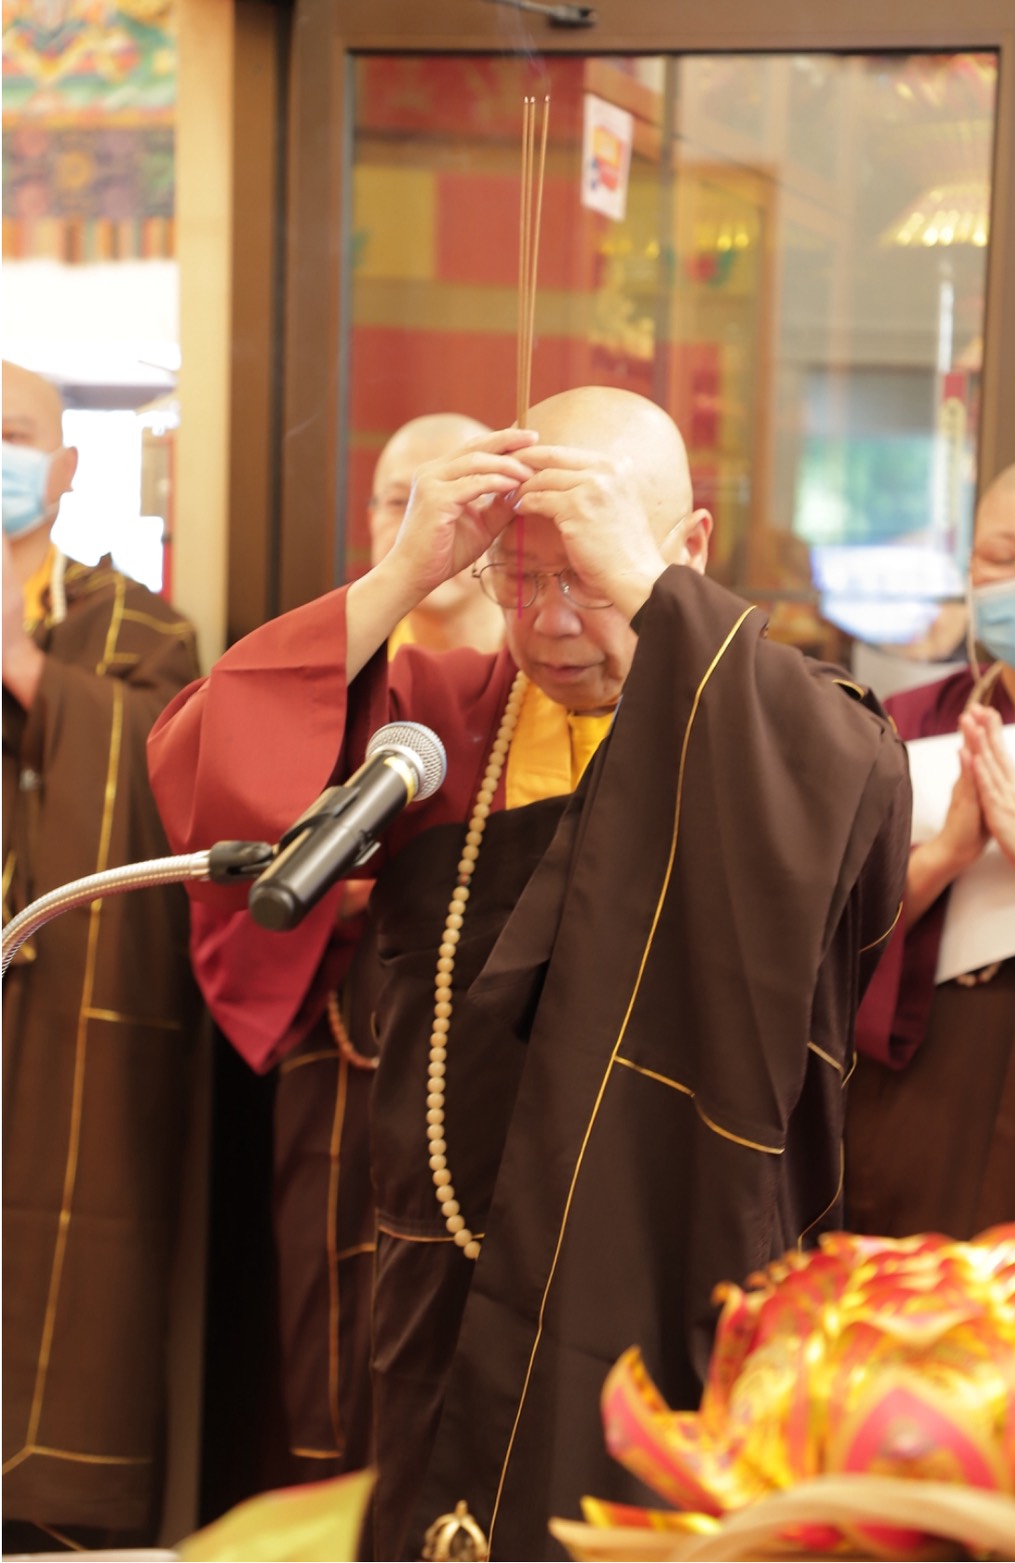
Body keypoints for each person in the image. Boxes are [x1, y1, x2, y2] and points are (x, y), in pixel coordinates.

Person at [148, 385, 910, 1562]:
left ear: (688, 547)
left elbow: (854, 798)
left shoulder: (776, 726)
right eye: (519, 578)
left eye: (587, 580)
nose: (550, 623)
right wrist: (404, 574)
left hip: (686, 1273)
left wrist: (649, 596)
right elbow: (209, 778)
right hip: (450, 1282)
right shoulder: (445, 722)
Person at [268, 411, 505, 1486]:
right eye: (396, 499)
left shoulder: (536, 670)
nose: (420, 516)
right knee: (334, 1316)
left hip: (492, 1046)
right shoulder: (343, 667)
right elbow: (241, 826)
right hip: (344, 1030)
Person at [2, 360, 201, 1551]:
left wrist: (28, 673)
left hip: (69, 1024)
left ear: (67, 466)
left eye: (14, 433)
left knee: (70, 1290)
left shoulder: (140, 627)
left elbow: (171, 787)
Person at [845, 453, 1015, 1242]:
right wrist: (942, 857)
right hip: (927, 1087)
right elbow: (827, 932)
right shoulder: (903, 723)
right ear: (968, 571)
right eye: (1002, 556)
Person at [367, 412, 505, 657]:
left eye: (459, 499)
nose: (423, 525)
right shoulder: (353, 663)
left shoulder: (547, 664)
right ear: (372, 519)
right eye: (399, 502)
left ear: (506, 524)